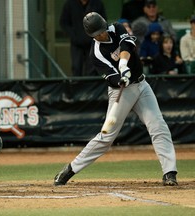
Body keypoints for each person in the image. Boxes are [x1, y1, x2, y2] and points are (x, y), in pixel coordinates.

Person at [53, 12, 178, 187]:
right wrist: (120, 77)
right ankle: (70, 169)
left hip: (141, 85)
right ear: (93, 35)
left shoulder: (116, 27)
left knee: (158, 125)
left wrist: (123, 64)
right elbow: (110, 77)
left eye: (103, 30)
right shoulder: (95, 53)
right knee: (106, 137)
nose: (103, 34)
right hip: (121, 91)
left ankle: (169, 173)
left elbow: (127, 43)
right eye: (99, 33)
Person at [59, 0, 107, 76]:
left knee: (92, 69)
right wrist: (73, 35)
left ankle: (91, 87)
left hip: (93, 42)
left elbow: (103, 21)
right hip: (76, 43)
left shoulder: (97, 4)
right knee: (76, 67)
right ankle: (77, 87)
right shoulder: (70, 4)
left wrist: (96, 34)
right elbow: (64, 22)